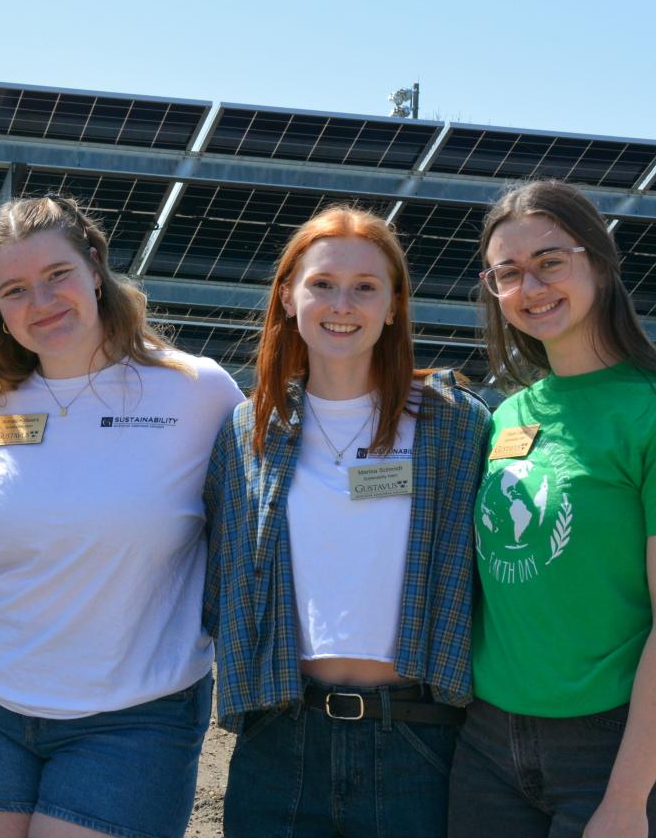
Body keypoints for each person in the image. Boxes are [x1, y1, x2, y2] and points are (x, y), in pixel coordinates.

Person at [0, 195, 241, 838]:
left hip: (135, 719)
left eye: (57, 275)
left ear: (95, 267)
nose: (41, 303)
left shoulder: (199, 393)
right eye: (15, 290)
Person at [448, 179, 656, 837]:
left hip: (613, 747)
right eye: (508, 273)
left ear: (600, 264)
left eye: (551, 261)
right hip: (488, 742)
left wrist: (627, 799)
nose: (531, 285)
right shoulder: (510, 416)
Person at [203, 205, 491, 836]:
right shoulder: (248, 430)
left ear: (393, 306)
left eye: (365, 288)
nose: (342, 304)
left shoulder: (453, 423)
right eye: (323, 285)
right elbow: (218, 582)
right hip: (280, 737)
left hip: (418, 741)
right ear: (287, 297)